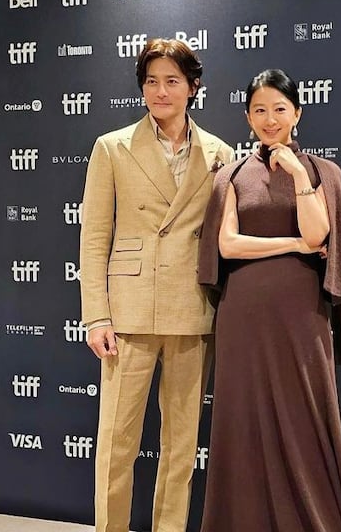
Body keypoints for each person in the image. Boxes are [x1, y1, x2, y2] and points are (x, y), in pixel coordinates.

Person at [197, 68, 341, 531]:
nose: (269, 119)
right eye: (259, 110)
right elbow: (228, 245)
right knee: (242, 419)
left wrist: (295, 172)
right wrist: (291, 245)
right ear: (247, 117)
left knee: (305, 416)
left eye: (279, 109)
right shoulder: (231, 174)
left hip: (301, 315)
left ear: (297, 113)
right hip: (243, 315)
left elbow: (318, 233)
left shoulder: (323, 172)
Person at [79, 37, 234, 532]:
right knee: (116, 442)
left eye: (171, 81)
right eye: (151, 81)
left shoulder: (221, 153)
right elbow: (94, 237)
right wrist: (96, 316)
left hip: (192, 309)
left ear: (193, 87)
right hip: (129, 311)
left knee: (182, 446)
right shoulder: (113, 146)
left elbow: (225, 237)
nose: (160, 91)